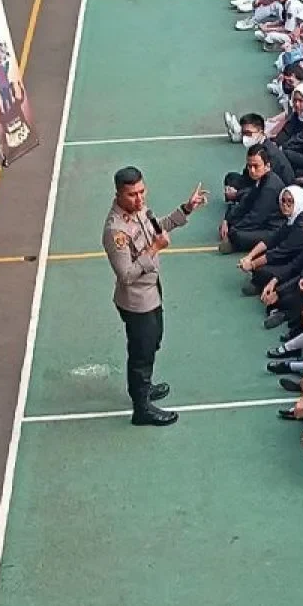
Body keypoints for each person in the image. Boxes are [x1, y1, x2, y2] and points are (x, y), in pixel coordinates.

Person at [102, 167, 208, 426]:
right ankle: (141, 408)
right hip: (137, 301)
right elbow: (126, 275)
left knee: (153, 341)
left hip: (152, 291)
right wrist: (154, 249)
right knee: (142, 353)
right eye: (132, 195)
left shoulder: (139, 210)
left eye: (142, 191)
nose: (139, 199)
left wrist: (186, 209)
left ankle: (143, 387)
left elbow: (156, 227)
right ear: (118, 195)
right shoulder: (116, 231)